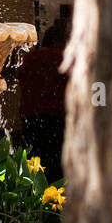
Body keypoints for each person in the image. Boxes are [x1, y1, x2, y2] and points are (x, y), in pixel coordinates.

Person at [18, 18, 69, 178]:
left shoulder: (29, 59)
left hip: (31, 118)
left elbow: (20, 78)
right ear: (58, 41)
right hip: (58, 118)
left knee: (37, 161)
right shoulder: (64, 57)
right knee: (58, 163)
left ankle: (38, 195)